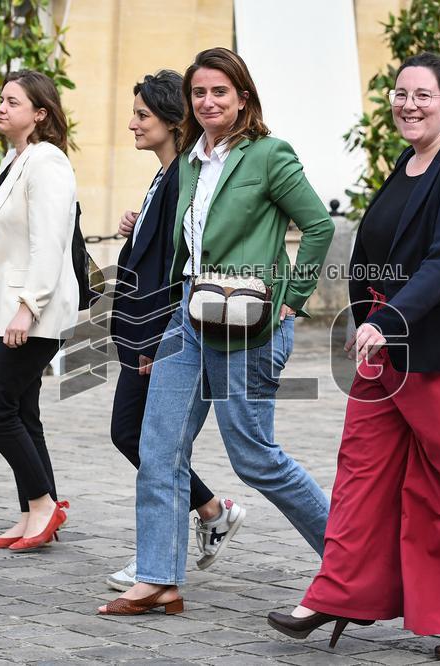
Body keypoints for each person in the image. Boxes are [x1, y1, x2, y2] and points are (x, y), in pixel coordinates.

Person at [266, 52, 440, 661]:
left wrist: (389, 318)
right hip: (385, 346)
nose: (408, 104)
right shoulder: (406, 163)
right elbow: (378, 253)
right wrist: (365, 317)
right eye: (400, 94)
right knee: (361, 474)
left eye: (423, 95)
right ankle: (338, 591)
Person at [98, 47, 334, 616]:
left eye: (219, 92)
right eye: (199, 93)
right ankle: (158, 578)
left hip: (249, 323)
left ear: (243, 98)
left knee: (254, 457)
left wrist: (291, 300)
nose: (208, 102)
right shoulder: (187, 164)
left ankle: (352, 558)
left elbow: (319, 226)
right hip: (188, 315)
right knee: (158, 447)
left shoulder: (269, 156)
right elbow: (182, 248)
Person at [105, 70, 245, 591]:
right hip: (146, 331)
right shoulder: (165, 178)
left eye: (143, 115)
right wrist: (134, 225)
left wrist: (153, 341)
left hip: (160, 332)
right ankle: (205, 515)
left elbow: (173, 269)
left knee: (141, 437)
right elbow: (154, 252)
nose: (133, 124)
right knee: (146, 438)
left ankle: (176, 544)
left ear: (169, 120)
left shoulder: (183, 179)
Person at [0, 70, 79, 553]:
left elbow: (50, 243)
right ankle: (33, 513)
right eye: (1, 99)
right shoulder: (16, 161)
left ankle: (42, 505)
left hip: (33, 312)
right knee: (22, 410)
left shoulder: (47, 162)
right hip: (13, 309)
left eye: (12, 101)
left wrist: (27, 308)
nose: (1, 107)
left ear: (40, 113)